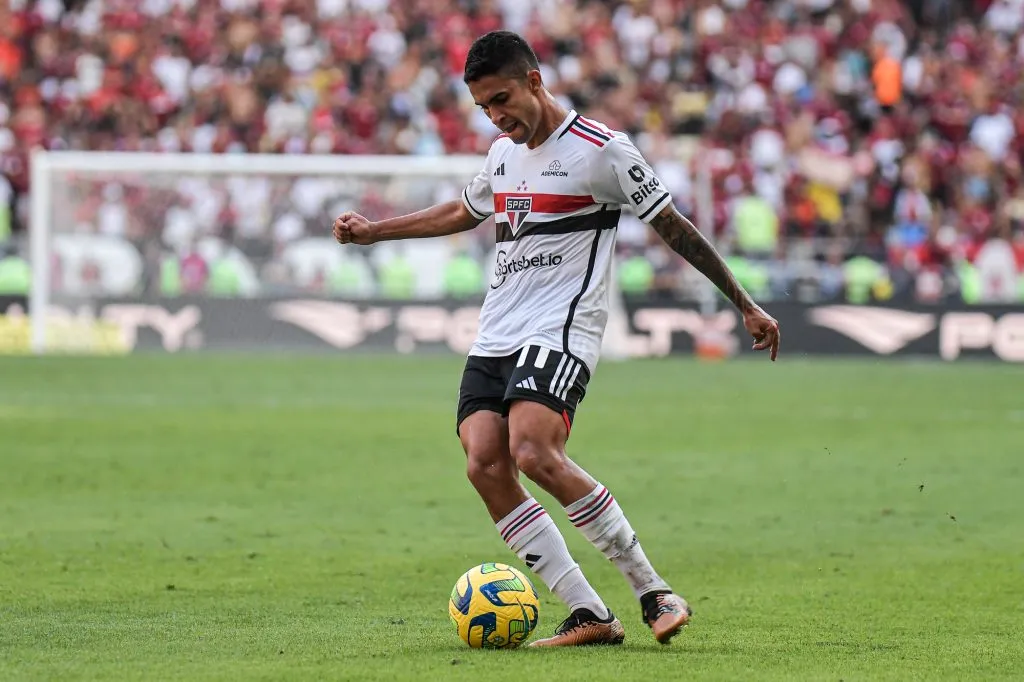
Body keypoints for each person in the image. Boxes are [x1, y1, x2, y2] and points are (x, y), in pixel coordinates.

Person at [333, 30, 781, 648]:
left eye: (502, 98)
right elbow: (463, 212)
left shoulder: (603, 151)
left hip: (561, 327)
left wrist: (745, 304)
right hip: (497, 332)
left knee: (534, 452)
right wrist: (375, 232)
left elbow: (675, 229)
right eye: (484, 107)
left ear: (534, 82)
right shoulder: (501, 155)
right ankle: (587, 612)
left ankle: (654, 590)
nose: (496, 115)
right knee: (483, 462)